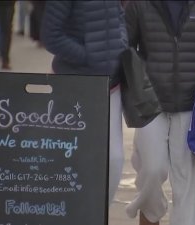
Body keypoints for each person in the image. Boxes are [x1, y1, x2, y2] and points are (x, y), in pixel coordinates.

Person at [124, 1, 195, 225]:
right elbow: (126, 47)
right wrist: (143, 80)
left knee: (190, 179)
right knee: (151, 169)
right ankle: (151, 212)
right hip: (151, 103)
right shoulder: (139, 5)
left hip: (192, 104)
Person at [41, 0, 128, 208]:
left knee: (113, 160)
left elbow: (120, 18)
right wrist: (90, 56)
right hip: (74, 84)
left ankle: (97, 213)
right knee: (71, 159)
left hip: (110, 85)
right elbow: (50, 36)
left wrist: (121, 45)